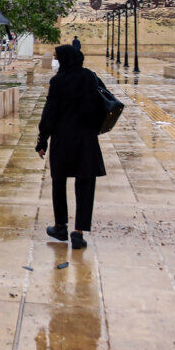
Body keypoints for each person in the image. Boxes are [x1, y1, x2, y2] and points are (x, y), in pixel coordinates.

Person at [36, 45, 106, 250]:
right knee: (85, 183)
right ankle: (79, 232)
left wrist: (42, 141)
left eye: (58, 58)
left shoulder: (58, 81)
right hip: (86, 139)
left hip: (63, 139)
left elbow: (50, 113)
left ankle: (60, 226)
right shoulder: (89, 77)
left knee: (59, 181)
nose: (56, 61)